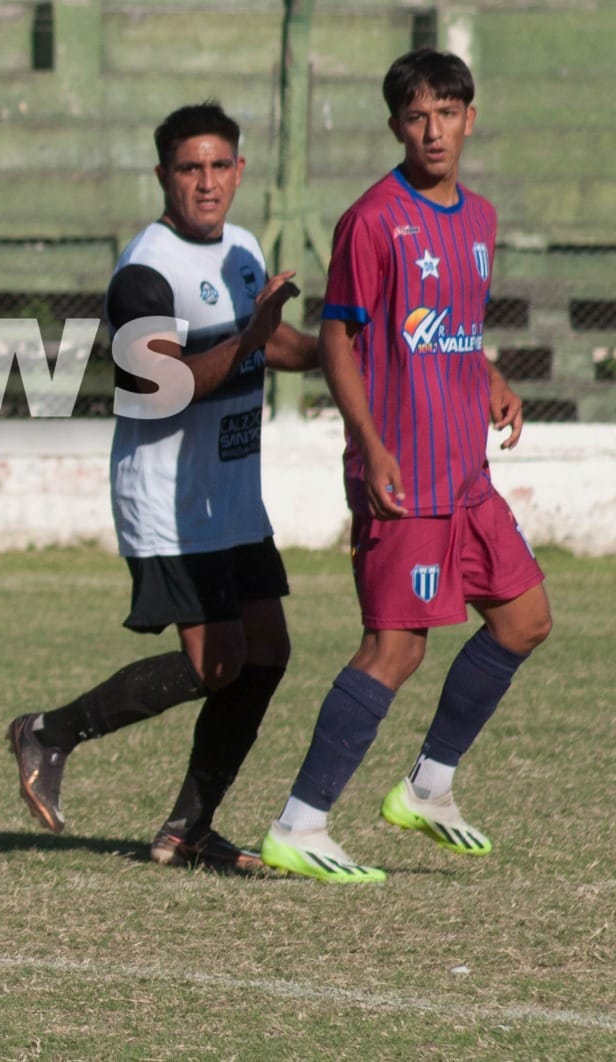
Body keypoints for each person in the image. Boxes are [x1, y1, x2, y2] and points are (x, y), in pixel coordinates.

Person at [260, 49, 549, 883]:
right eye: (417, 116)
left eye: (447, 113)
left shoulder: (481, 217)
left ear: (470, 118)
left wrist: (489, 375)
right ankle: (301, 823)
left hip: (466, 475)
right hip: (405, 474)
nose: (433, 130)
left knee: (524, 620)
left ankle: (429, 786)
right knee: (395, 648)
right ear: (396, 125)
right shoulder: (373, 220)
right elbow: (340, 338)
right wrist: (370, 441)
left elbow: (451, 325)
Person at [6, 102, 316, 872]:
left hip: (233, 496)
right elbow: (162, 384)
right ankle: (49, 731)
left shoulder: (243, 248)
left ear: (240, 171)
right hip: (170, 500)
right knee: (218, 663)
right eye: (189, 168)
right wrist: (249, 336)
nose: (206, 183)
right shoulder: (146, 271)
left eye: (220, 166)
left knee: (267, 653)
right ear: (163, 177)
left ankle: (191, 828)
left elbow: (275, 341)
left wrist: (344, 346)